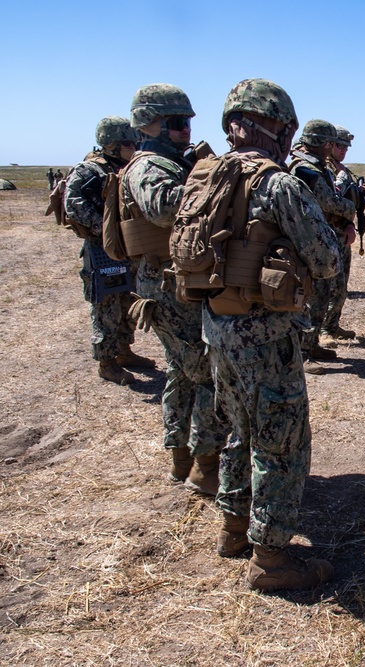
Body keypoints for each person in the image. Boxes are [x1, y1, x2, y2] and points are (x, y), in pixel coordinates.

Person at [205, 78, 341, 591]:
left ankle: (233, 529)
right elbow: (327, 260)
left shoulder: (208, 175)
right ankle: (272, 560)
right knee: (281, 444)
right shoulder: (277, 184)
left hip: (217, 328)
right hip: (265, 336)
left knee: (240, 429)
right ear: (278, 126)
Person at [119, 84, 228, 495]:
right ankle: (205, 465)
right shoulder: (149, 167)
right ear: (147, 124)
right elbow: (166, 208)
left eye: (187, 123)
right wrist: (218, 184)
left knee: (183, 373)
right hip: (169, 287)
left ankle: (182, 458)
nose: (185, 131)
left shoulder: (173, 162)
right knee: (204, 374)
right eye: (177, 123)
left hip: (177, 281)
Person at [64, 116, 154, 385]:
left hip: (128, 248)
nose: (133, 147)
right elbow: (73, 206)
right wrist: (105, 228)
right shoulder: (88, 170)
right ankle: (106, 362)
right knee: (106, 306)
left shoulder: (127, 169)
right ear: (111, 145)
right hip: (101, 251)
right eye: (128, 143)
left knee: (128, 301)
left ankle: (124, 351)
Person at [288, 119, 355, 374]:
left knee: (322, 294)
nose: (332, 147)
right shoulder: (305, 168)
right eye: (330, 143)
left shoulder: (317, 166)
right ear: (321, 142)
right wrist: (349, 207)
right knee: (311, 296)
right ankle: (303, 353)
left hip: (320, 236)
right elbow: (327, 201)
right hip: (308, 240)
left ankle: (312, 344)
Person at [323, 125, 365, 340]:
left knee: (340, 286)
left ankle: (332, 325)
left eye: (346, 147)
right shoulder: (325, 168)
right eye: (339, 145)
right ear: (328, 144)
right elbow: (330, 199)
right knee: (328, 286)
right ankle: (322, 331)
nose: (344, 150)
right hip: (328, 233)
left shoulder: (342, 169)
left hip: (342, 232)